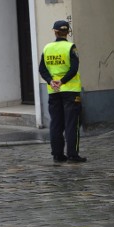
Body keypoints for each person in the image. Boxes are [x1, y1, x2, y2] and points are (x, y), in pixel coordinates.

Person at [38, 20, 86, 164]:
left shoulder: (47, 48)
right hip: (70, 91)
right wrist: (63, 81)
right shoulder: (70, 47)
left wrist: (51, 81)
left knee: (56, 123)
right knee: (72, 123)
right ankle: (72, 155)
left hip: (53, 91)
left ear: (55, 31)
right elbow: (74, 68)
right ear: (68, 32)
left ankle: (57, 154)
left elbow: (42, 69)